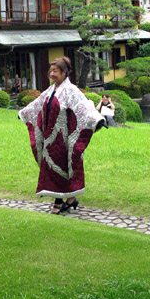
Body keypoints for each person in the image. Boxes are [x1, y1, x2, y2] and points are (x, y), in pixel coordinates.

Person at [19, 57, 106, 214]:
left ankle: (59, 201)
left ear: (64, 72)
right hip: (50, 138)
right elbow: (37, 104)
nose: (51, 74)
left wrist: (97, 120)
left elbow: (83, 107)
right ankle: (70, 199)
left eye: (55, 71)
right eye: (50, 71)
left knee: (63, 167)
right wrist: (24, 113)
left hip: (64, 139)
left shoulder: (71, 90)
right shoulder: (51, 89)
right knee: (52, 167)